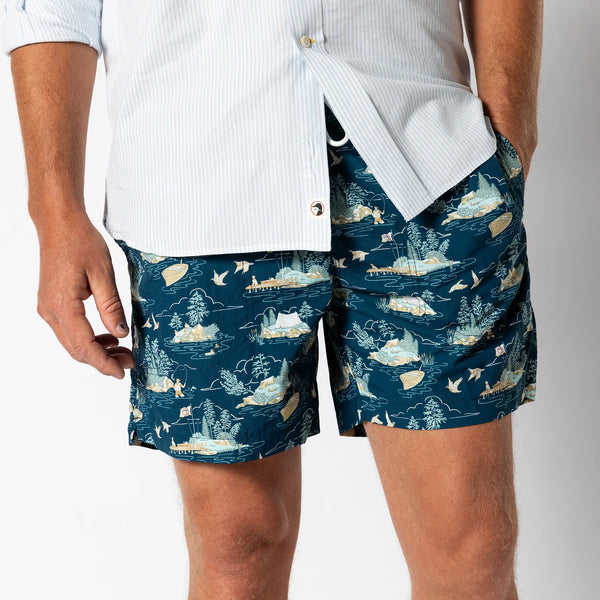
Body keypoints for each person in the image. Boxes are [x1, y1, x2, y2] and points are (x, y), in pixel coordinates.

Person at [1, 1, 543, 598]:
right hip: (200, 195)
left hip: (427, 170)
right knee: (239, 547)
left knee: (473, 547)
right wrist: (54, 209)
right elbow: (52, 10)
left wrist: (512, 122)